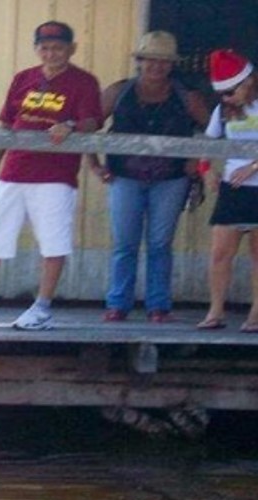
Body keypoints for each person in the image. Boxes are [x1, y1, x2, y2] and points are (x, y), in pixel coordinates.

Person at [0, 20, 102, 330]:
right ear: (36, 49)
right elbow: (6, 126)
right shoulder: (23, 79)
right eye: (44, 48)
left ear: (71, 49)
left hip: (55, 176)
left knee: (53, 242)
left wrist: (70, 126)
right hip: (13, 171)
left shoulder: (84, 82)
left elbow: (92, 122)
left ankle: (42, 308)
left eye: (58, 48)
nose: (51, 54)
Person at [89, 31, 209, 323]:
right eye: (150, 60)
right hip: (123, 177)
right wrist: (94, 164)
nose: (156, 66)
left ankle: (158, 306)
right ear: (140, 61)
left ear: (172, 65)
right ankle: (118, 304)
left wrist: (196, 160)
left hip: (171, 179)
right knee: (124, 243)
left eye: (163, 61)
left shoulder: (187, 96)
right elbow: (88, 126)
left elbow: (213, 130)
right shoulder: (118, 92)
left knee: (160, 244)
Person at [196, 49, 258, 333]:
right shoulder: (222, 111)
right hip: (233, 188)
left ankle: (255, 314)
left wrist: (253, 166)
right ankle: (215, 311)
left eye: (231, 92)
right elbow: (206, 144)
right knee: (220, 253)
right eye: (222, 94)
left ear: (248, 82)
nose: (226, 98)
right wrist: (207, 170)